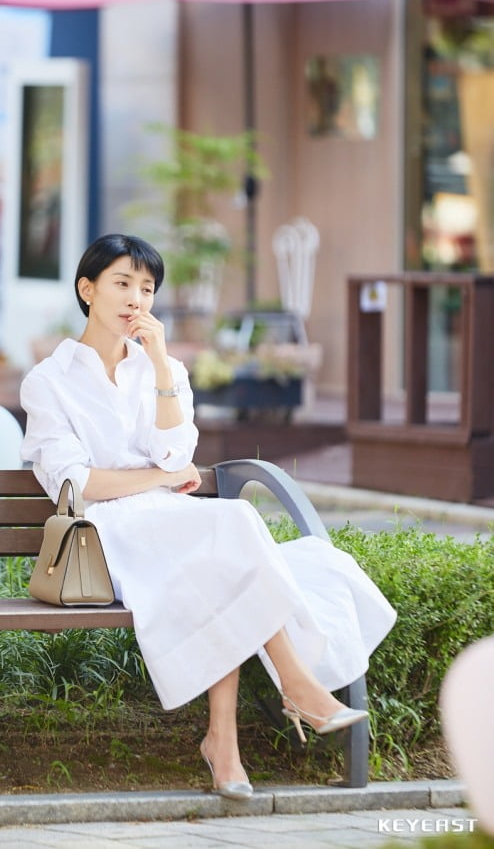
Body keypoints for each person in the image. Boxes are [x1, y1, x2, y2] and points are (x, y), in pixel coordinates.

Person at [20, 234, 396, 799]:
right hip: (108, 536)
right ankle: (293, 686)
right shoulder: (48, 381)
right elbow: (77, 483)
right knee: (235, 533)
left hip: (169, 524)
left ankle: (225, 743)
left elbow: (176, 455)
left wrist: (161, 365)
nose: (136, 300)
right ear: (87, 288)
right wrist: (163, 478)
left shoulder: (162, 370)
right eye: (122, 283)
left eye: (147, 289)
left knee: (225, 559)